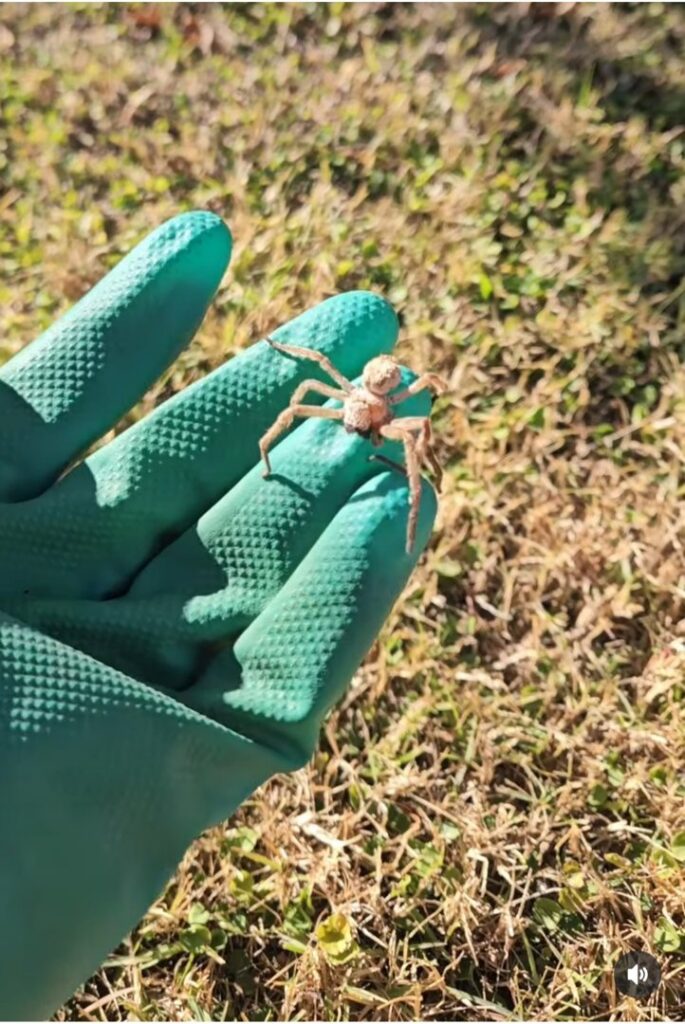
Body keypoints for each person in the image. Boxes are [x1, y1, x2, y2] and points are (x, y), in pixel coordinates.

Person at [0, 211, 437, 1018]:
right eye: (363, 404)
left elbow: (396, 421)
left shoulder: (390, 413)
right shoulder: (329, 396)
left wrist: (401, 452)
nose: (360, 412)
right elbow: (309, 383)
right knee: (312, 416)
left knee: (392, 465)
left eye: (374, 409)